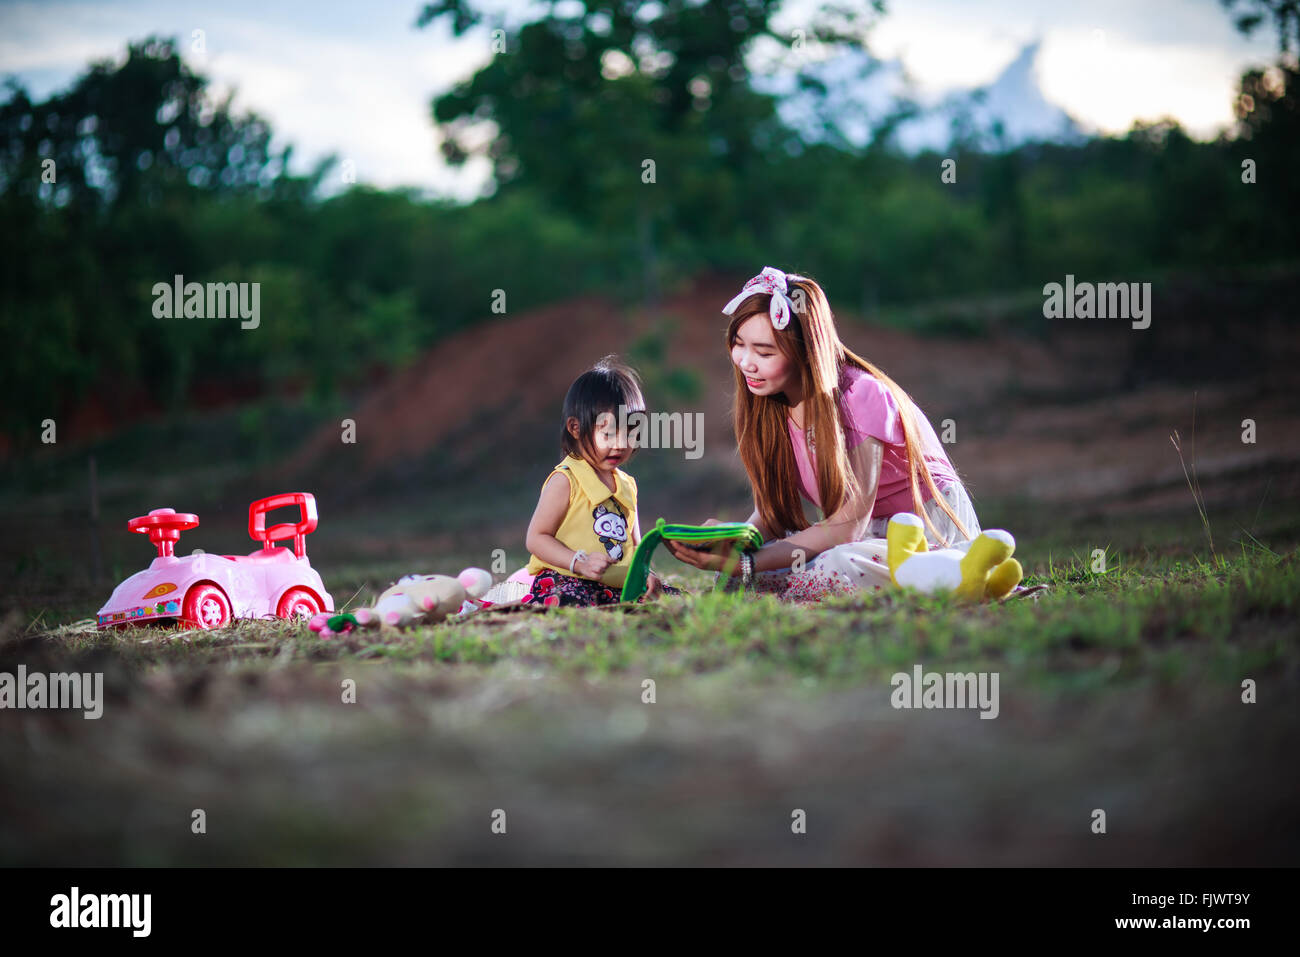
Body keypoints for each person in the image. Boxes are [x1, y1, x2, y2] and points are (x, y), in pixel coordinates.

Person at [665, 267, 982, 601]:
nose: (746, 362)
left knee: (835, 565)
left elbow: (849, 525)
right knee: (735, 582)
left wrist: (751, 563)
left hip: (919, 530)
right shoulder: (772, 405)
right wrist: (736, 540)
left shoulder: (860, 396)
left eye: (765, 352)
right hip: (860, 537)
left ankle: (955, 571)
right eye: (739, 344)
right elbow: (774, 515)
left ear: (805, 352)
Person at [521, 356, 679, 607]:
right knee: (568, 599)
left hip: (616, 585)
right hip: (568, 577)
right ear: (575, 428)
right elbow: (537, 538)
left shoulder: (627, 485)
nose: (620, 444)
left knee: (675, 599)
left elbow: (635, 547)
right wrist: (579, 562)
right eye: (608, 434)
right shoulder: (566, 480)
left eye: (630, 433)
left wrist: (647, 574)